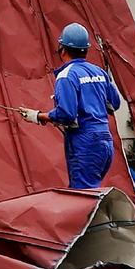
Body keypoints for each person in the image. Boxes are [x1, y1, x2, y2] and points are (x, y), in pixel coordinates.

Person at [19, 22, 121, 189]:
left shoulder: (66, 76)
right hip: (105, 143)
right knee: (92, 192)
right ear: (86, 49)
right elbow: (114, 104)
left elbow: (66, 114)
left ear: (62, 49)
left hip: (85, 144)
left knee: (83, 197)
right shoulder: (99, 72)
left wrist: (37, 116)